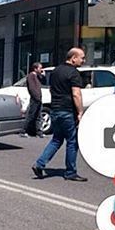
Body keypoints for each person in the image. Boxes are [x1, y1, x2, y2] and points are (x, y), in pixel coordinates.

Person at [32, 48, 87, 182]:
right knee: (72, 142)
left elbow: (51, 89)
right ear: (73, 58)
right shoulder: (74, 73)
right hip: (67, 111)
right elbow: (76, 94)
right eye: (82, 57)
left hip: (55, 110)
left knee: (56, 139)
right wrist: (80, 112)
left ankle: (39, 164)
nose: (83, 60)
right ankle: (70, 172)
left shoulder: (56, 71)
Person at [20, 62, 45, 137]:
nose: (41, 69)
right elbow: (32, 88)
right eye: (40, 68)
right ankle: (23, 130)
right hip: (35, 99)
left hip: (39, 99)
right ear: (35, 69)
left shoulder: (37, 76)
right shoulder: (31, 76)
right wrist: (36, 97)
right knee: (31, 115)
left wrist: (42, 76)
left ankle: (38, 132)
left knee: (38, 116)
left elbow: (43, 82)